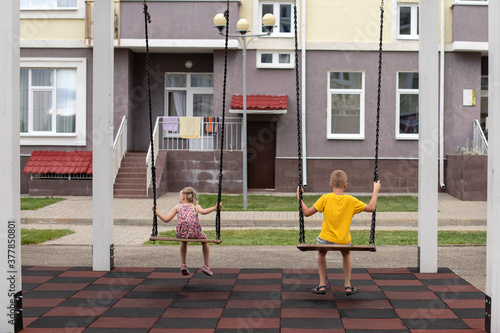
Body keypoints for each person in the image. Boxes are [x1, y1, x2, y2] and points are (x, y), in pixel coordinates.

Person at [297, 170, 381, 296]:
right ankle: (347, 285)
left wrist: (299, 197)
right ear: (346, 185)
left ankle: (322, 285)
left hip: (325, 240)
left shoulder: (325, 198)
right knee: (346, 254)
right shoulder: (351, 200)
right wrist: (375, 191)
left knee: (321, 252)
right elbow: (371, 208)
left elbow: (307, 213)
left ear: (330, 184)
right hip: (343, 240)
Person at [153, 187, 221, 276]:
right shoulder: (196, 206)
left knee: (183, 241)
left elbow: (166, 219)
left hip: (182, 233)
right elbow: (204, 212)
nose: (179, 198)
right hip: (195, 232)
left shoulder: (177, 207)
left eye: (179, 196)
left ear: (183, 197)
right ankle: (206, 266)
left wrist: (156, 212)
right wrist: (215, 208)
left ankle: (183, 265)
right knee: (205, 241)